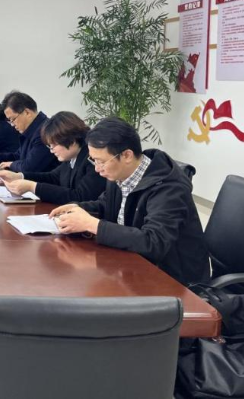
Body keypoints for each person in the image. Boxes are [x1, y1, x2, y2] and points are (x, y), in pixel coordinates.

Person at [49, 116, 210, 286]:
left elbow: (154, 242)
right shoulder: (120, 172)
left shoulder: (169, 188)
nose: (97, 169)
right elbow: (105, 205)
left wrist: (91, 224)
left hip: (173, 280)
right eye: (93, 160)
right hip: (133, 264)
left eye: (101, 161)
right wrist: (77, 209)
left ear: (127, 155)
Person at [0, 111, 105, 205]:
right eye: (49, 146)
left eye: (53, 145)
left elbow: (80, 197)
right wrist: (19, 176)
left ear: (71, 141)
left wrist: (33, 187)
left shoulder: (93, 159)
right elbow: (53, 177)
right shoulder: (72, 156)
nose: (51, 150)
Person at [0, 91, 58, 173]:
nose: (12, 125)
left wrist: (11, 164)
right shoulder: (31, 129)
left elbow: (29, 168)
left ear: (27, 112)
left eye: (13, 119)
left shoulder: (46, 131)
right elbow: (17, 156)